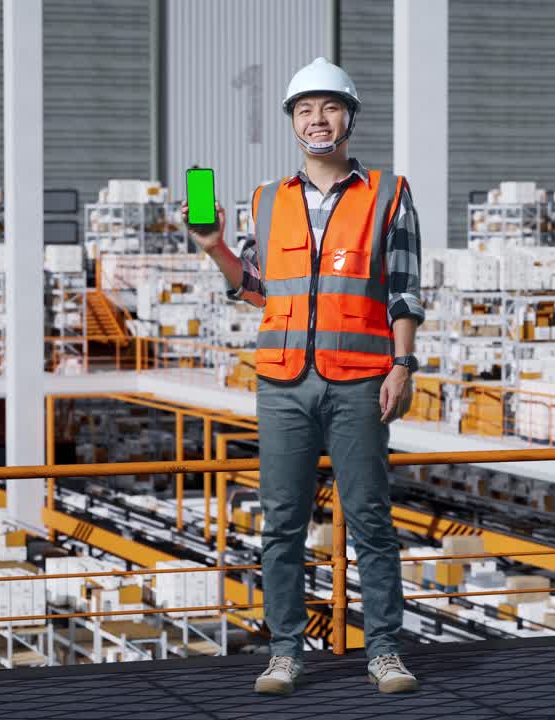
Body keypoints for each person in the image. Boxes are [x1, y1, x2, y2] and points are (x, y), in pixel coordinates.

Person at [181, 57, 425, 695]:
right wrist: (213, 247)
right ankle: (285, 654)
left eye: (330, 108)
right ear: (292, 122)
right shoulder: (267, 200)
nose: (318, 120)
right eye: (304, 110)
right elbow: (257, 290)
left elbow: (403, 289)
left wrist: (402, 365)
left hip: (360, 379)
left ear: (350, 117)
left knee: (370, 519)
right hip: (284, 381)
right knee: (281, 523)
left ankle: (384, 653)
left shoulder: (389, 194)